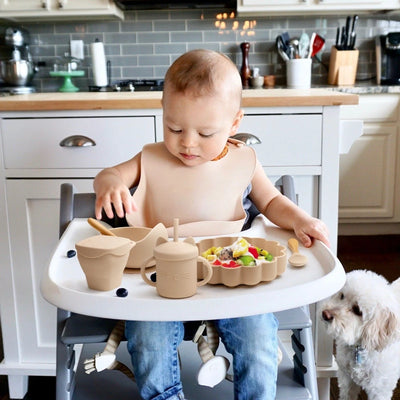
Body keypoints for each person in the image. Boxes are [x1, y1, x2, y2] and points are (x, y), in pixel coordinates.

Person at [94, 49, 330, 400]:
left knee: (258, 337)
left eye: (206, 133)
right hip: (161, 278)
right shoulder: (151, 158)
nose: (187, 143)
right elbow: (110, 174)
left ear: (235, 123)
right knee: (147, 339)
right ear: (162, 110)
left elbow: (273, 202)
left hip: (233, 275)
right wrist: (110, 183)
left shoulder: (244, 161)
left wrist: (301, 220)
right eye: (174, 127)